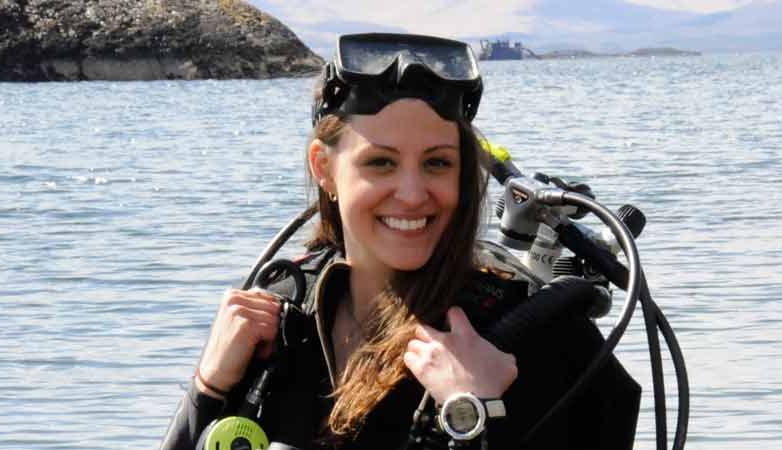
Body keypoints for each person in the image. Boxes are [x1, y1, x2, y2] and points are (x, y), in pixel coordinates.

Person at [159, 33, 638, 450]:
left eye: (437, 163)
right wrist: (207, 387)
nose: (412, 195)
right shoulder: (280, 321)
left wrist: (475, 413)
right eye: (380, 163)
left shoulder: (535, 336)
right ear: (323, 168)